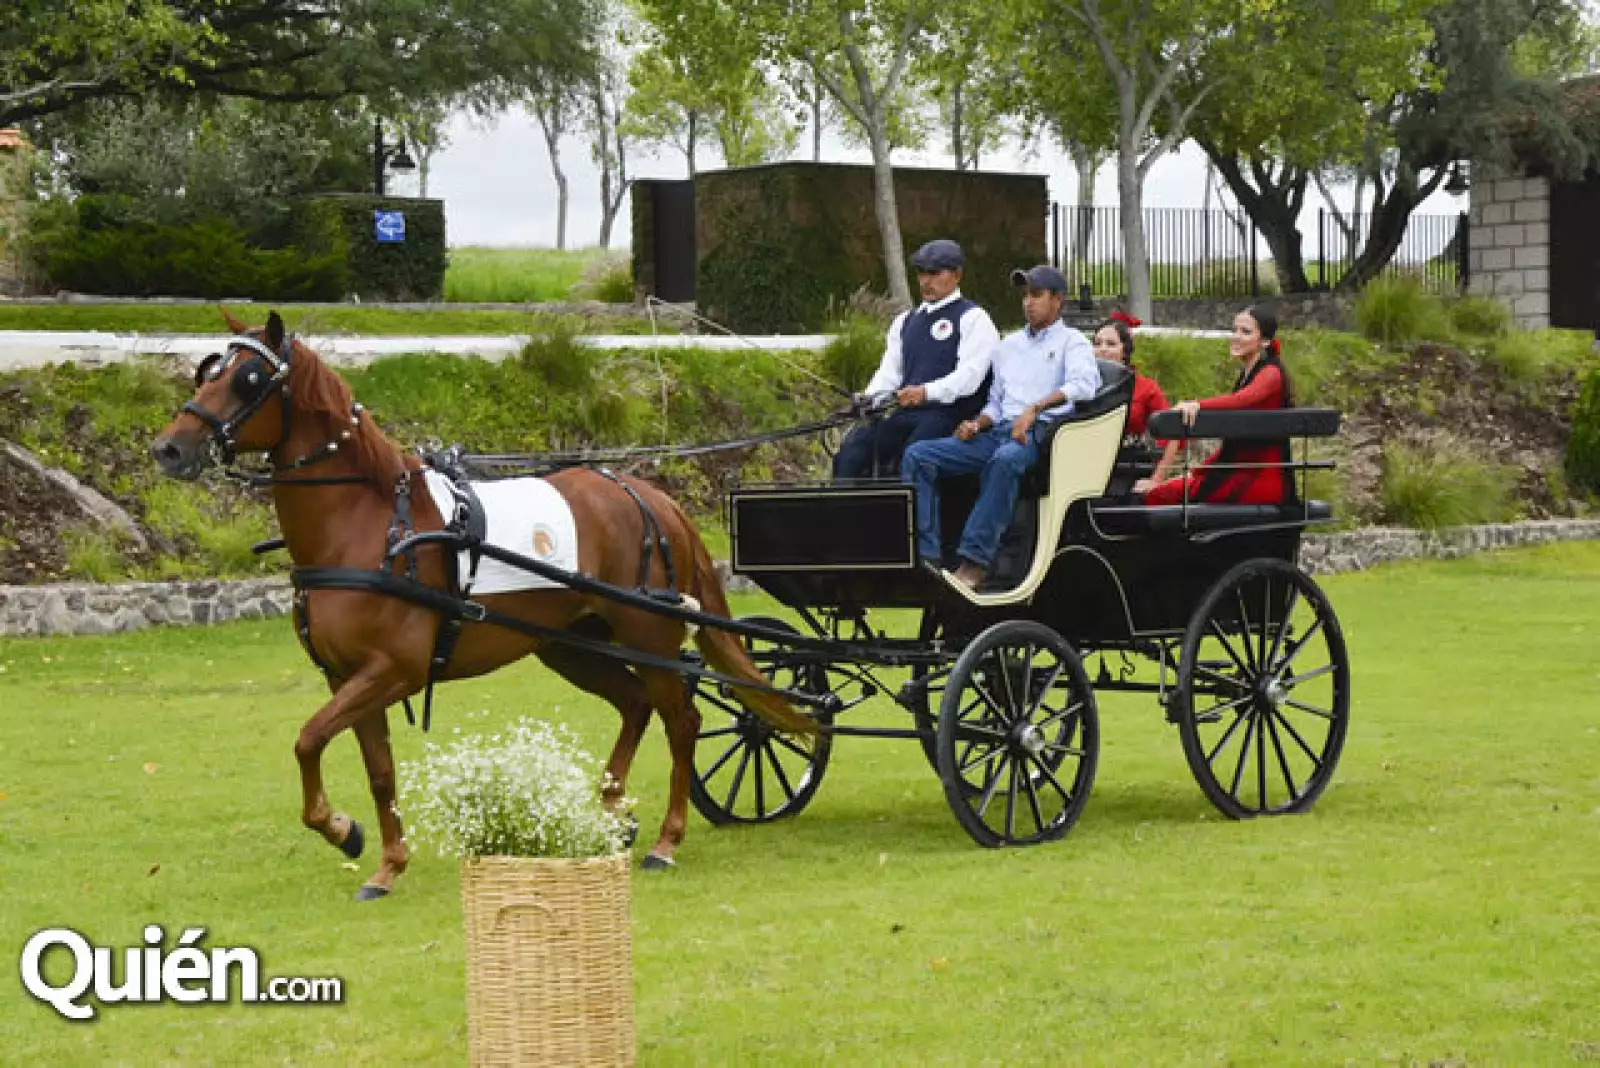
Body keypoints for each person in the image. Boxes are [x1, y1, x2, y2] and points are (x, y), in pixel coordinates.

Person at [902, 265, 1101, 590]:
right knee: (919, 456)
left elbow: (1084, 386)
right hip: (997, 433)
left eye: (1036, 295)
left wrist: (1035, 409)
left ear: (1057, 301)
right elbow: (995, 403)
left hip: (1041, 435)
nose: (1028, 303)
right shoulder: (1008, 346)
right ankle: (927, 556)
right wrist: (976, 423)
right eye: (1025, 296)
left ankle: (975, 563)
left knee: (1006, 460)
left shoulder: (1072, 342)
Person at [832, 239, 1000, 480]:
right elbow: (889, 373)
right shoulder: (904, 322)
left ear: (957, 275)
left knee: (910, 456)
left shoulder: (974, 319)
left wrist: (925, 392)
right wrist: (868, 398)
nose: (925, 281)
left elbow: (970, 377)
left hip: (949, 415)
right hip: (906, 413)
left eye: (934, 273)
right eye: (921, 273)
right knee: (851, 453)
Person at [1134, 304, 1294, 506]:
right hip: (1240, 469)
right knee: (1164, 490)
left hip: (1257, 475)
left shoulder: (1271, 372)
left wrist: (1197, 405)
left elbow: (1242, 400)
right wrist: (1198, 470)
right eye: (1234, 330)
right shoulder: (1248, 374)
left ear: (1264, 341)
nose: (1235, 336)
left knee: (1160, 495)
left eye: (1245, 332)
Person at [1094, 310, 1168, 437]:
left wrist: (1165, 458)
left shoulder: (1146, 388)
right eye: (1097, 343)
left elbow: (1168, 426)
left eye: (1111, 344)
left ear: (1125, 351)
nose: (1102, 349)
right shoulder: (1080, 384)